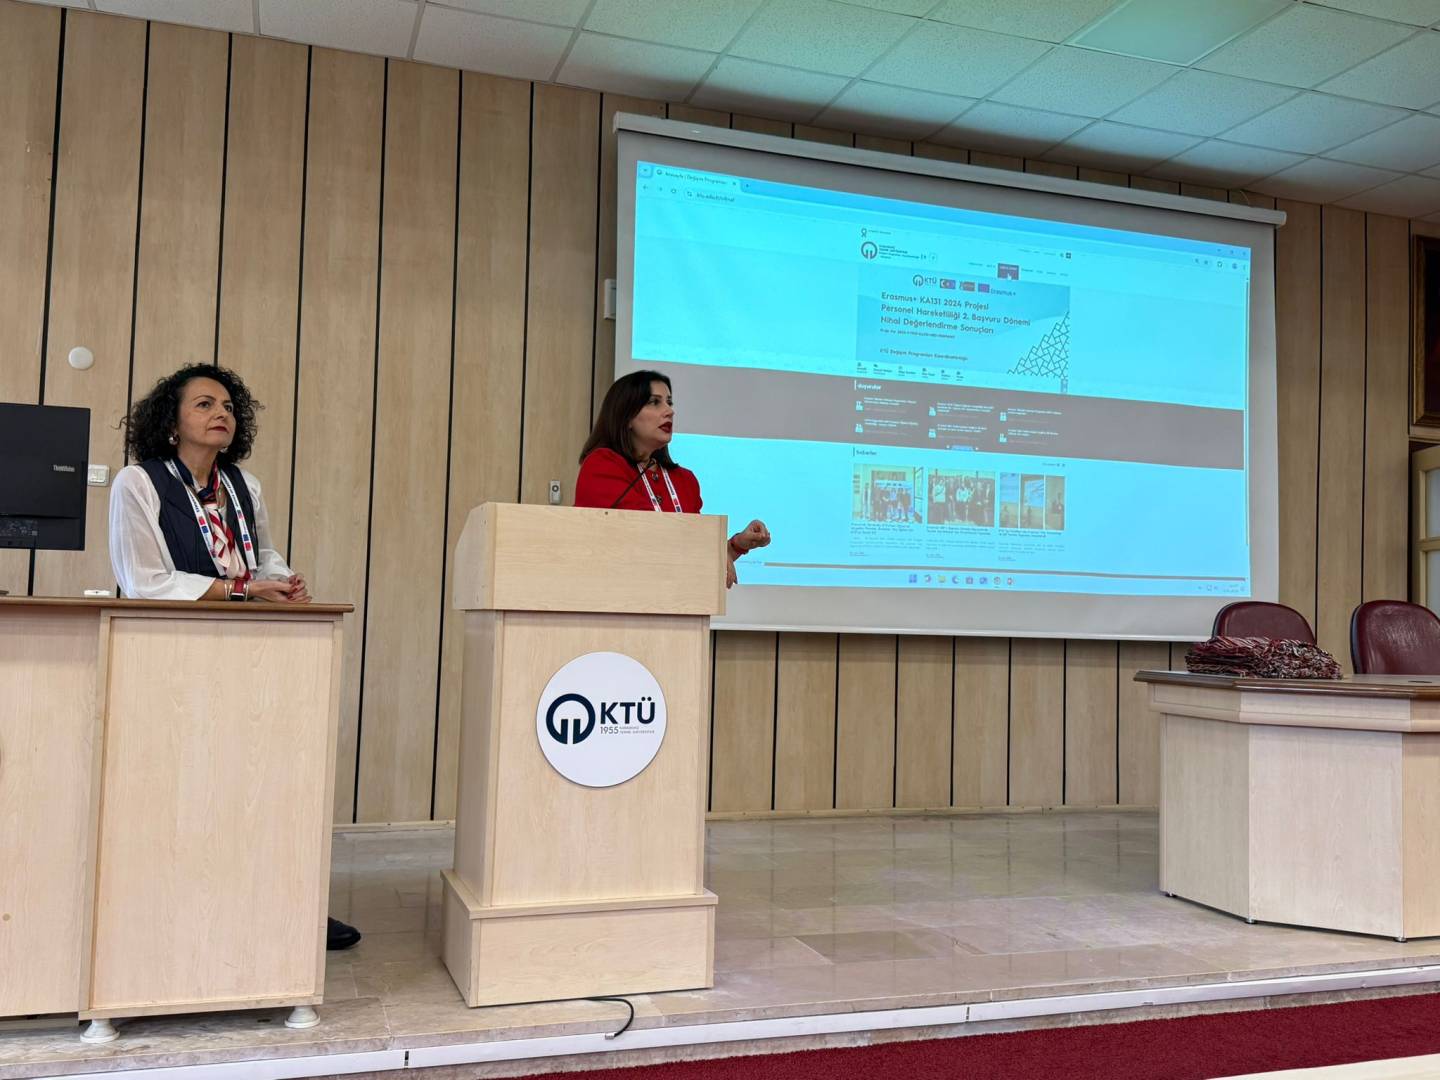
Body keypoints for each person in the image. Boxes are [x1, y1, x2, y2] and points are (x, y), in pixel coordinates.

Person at [109, 362, 362, 953]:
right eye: (204, 404)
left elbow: (262, 556)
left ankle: (287, 908)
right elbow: (144, 580)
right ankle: (176, 914)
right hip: (172, 657)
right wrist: (243, 590)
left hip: (251, 653)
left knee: (262, 788)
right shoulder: (138, 483)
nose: (220, 413)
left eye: (227, 405)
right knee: (186, 791)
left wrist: (284, 582)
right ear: (171, 422)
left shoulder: (244, 486)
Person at [574, 370, 770, 585]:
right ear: (626, 416)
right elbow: (642, 536)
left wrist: (736, 545)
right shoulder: (603, 464)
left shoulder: (684, 481)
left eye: (669, 402)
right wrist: (712, 550)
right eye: (654, 402)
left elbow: (688, 554)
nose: (669, 411)